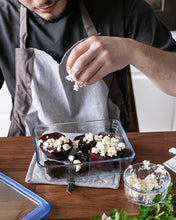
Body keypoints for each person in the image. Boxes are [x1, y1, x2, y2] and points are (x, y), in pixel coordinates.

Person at [0, 0, 176, 136]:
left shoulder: (120, 5)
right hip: (28, 148)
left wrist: (133, 51)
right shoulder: (3, 15)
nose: (41, 1)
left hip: (111, 148)